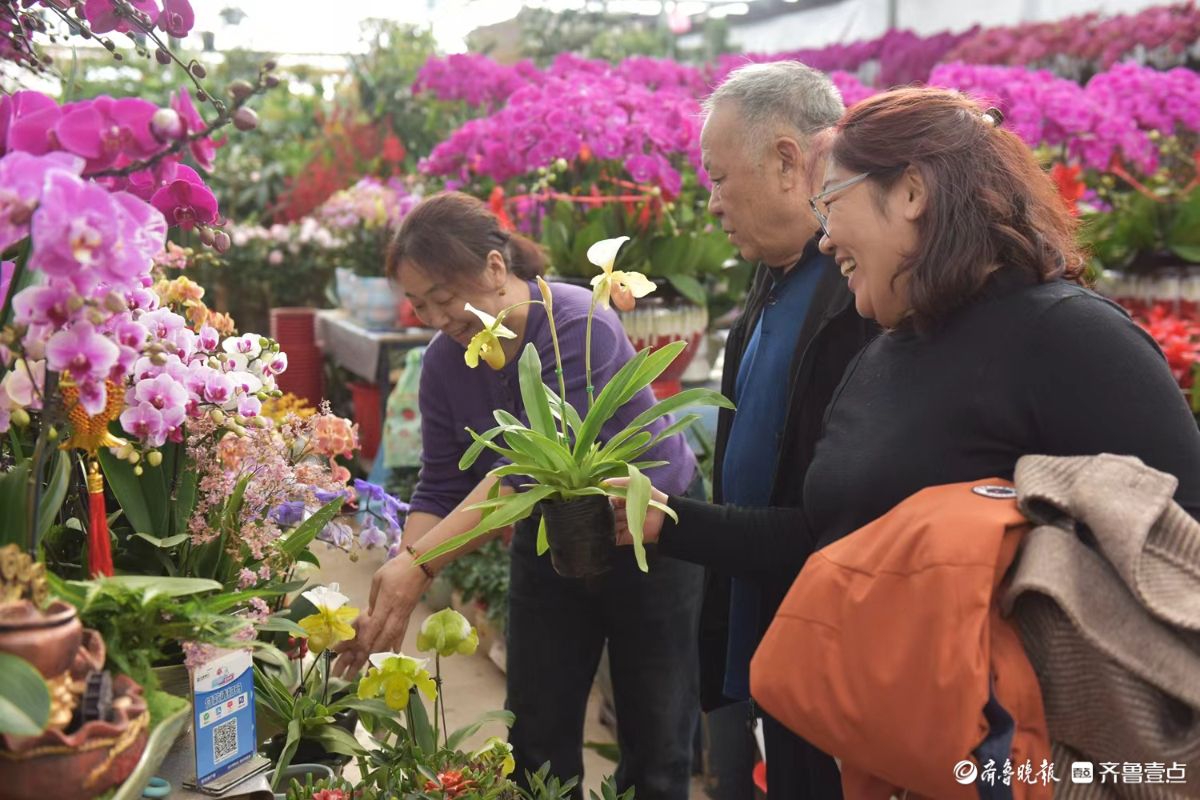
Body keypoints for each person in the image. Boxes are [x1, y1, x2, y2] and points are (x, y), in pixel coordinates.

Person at [613, 85, 1200, 749]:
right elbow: (824, 538)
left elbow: (1178, 555)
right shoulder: (889, 347)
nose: (826, 237)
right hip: (872, 745)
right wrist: (670, 520)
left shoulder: (1072, 338)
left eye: (831, 203)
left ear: (913, 192)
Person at [333, 192, 705, 800]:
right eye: (420, 305)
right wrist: (396, 583)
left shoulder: (577, 323)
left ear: (495, 268)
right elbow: (443, 481)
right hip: (549, 540)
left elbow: (525, 471)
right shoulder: (444, 362)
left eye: (444, 299)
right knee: (534, 740)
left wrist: (419, 567)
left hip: (648, 536)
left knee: (657, 741)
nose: (435, 319)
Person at [690, 61, 877, 799]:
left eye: (717, 177)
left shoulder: (861, 297)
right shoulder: (770, 277)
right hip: (756, 637)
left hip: (824, 652)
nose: (711, 204)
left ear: (788, 161)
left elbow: (826, 519)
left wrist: (663, 523)